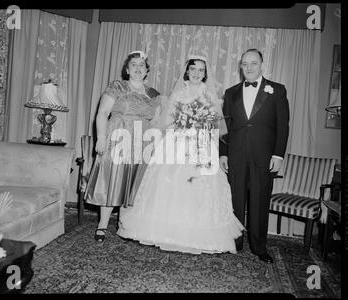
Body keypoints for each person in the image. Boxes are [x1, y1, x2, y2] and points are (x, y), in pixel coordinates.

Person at [117, 55, 244, 254]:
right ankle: (165, 231)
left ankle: (197, 234)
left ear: (205, 74)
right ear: (187, 71)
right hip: (177, 142)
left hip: (201, 145)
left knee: (199, 188)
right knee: (170, 186)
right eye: (193, 69)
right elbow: (167, 121)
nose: (196, 73)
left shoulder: (209, 95)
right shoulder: (178, 93)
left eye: (201, 70)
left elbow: (215, 125)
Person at [219, 48, 290, 263]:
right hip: (236, 154)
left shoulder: (276, 90)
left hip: (264, 156)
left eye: (253, 63)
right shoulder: (230, 93)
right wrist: (223, 154)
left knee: (260, 202)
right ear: (240, 66)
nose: (248, 68)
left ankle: (259, 248)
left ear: (261, 64)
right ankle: (235, 243)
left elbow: (283, 125)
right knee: (235, 201)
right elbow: (225, 127)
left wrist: (278, 155)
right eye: (244, 64)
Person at [84, 50, 161, 242]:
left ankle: (128, 225)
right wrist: (101, 138)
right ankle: (102, 225)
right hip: (117, 138)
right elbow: (102, 113)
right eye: (133, 65)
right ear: (127, 69)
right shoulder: (117, 87)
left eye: (141, 65)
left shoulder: (154, 94)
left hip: (142, 143)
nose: (137, 68)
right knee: (111, 180)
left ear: (146, 71)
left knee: (134, 182)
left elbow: (157, 123)